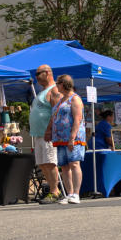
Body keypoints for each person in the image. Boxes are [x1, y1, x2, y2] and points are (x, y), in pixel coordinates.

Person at [48, 73, 86, 204]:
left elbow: (77, 119)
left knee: (74, 163)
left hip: (73, 138)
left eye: (57, 83)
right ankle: (69, 193)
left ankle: (76, 194)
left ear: (63, 84)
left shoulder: (75, 99)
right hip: (60, 139)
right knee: (64, 166)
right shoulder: (61, 100)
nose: (56, 86)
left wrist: (72, 137)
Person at [28, 65, 60, 203]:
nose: (36, 77)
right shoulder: (42, 91)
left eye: (38, 74)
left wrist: (49, 129)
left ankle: (55, 191)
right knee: (42, 163)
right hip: (38, 134)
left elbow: (57, 112)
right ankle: (52, 189)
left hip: (48, 134)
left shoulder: (54, 90)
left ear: (47, 73)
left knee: (50, 162)